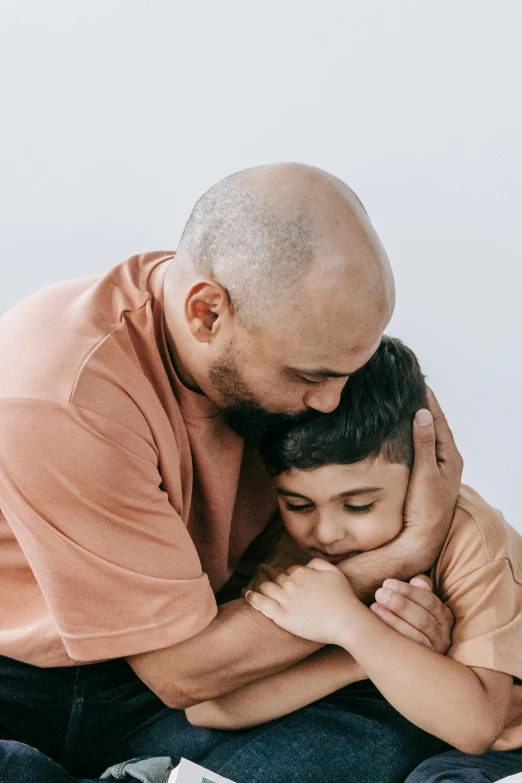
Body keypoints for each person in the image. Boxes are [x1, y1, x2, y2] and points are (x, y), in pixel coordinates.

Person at [0, 163, 462, 783]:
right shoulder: (63, 389)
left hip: (206, 663)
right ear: (208, 313)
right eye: (310, 376)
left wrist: (376, 648)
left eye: (352, 366)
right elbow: (180, 671)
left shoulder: (294, 335)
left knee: (399, 724)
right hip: (32, 684)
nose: (333, 402)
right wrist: (405, 553)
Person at [187, 336, 522, 783]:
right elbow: (208, 704)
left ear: (422, 474)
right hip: (378, 703)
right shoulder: (293, 544)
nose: (325, 534)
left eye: (359, 506)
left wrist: (346, 623)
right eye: (299, 505)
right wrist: (363, 649)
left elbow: (476, 727)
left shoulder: (472, 537)